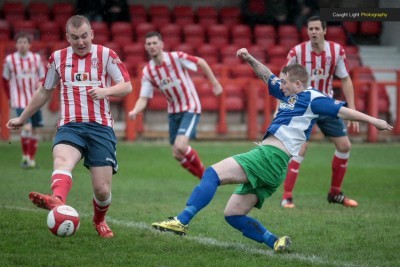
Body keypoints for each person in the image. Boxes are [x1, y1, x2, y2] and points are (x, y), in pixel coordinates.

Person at [151, 48, 392, 253]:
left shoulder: (312, 98)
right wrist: (249, 58)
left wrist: (375, 121)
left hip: (270, 156)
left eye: (285, 82)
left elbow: (343, 111)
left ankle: (181, 221)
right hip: (276, 167)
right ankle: (275, 240)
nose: (281, 85)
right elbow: (267, 76)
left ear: (298, 83)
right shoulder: (289, 95)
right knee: (233, 214)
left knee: (212, 174)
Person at [6, 15, 132, 238]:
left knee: (102, 190)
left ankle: (99, 220)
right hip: (70, 126)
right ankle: (58, 201)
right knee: (62, 160)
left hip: (101, 128)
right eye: (75, 38)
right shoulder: (58, 58)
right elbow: (45, 90)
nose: (81, 42)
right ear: (67, 37)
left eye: (84, 36)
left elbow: (127, 86)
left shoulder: (106, 55)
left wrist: (105, 91)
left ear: (91, 34)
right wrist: (22, 118)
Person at [279, 16, 360, 209]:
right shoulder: (297, 52)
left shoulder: (336, 51)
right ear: (307, 31)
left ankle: (335, 193)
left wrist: (353, 108)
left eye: (317, 29)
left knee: (344, 145)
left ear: (324, 31)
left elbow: (346, 79)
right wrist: (282, 106)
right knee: (301, 148)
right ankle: (287, 197)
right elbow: (283, 78)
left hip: (325, 103)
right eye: (310, 29)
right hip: (302, 106)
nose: (313, 32)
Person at [128, 31, 223, 179]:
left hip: (190, 106)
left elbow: (201, 62)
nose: (152, 46)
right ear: (145, 47)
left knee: (181, 146)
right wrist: (135, 110)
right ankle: (203, 178)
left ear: (161, 44)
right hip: (173, 111)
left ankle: (206, 177)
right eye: (149, 44)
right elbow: (143, 98)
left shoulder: (176, 57)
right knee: (177, 154)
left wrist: (215, 84)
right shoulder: (148, 71)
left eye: (154, 43)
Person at [2, 32, 45, 168]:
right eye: (19, 42)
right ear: (15, 44)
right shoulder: (10, 60)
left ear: (29, 44)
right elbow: (4, 80)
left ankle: (31, 159)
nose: (22, 45)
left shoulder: (36, 58)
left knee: (36, 129)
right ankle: (25, 157)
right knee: (27, 126)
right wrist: (9, 97)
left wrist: (40, 83)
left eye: (24, 42)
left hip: (34, 99)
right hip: (19, 99)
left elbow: (43, 77)